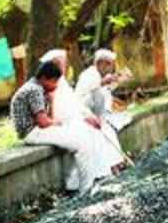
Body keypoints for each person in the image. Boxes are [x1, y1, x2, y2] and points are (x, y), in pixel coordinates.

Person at [10, 61, 110, 194]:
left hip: (35, 131)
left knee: (78, 137)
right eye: (54, 81)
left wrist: (51, 102)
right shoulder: (34, 90)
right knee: (82, 144)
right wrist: (59, 123)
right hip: (32, 132)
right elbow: (44, 122)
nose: (56, 85)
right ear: (44, 78)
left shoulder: (35, 87)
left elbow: (47, 117)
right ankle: (86, 188)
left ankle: (74, 184)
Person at [39, 49, 124, 176]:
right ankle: (93, 174)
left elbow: (75, 103)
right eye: (62, 64)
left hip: (80, 115)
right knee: (91, 133)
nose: (65, 67)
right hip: (65, 121)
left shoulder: (62, 82)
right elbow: (59, 109)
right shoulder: (50, 82)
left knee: (102, 129)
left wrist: (88, 116)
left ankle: (108, 168)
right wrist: (85, 117)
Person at [75, 49, 132, 173]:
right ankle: (114, 165)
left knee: (110, 128)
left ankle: (117, 163)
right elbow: (90, 93)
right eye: (110, 65)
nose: (111, 69)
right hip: (85, 115)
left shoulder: (100, 76)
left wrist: (118, 80)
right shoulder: (88, 75)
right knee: (104, 132)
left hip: (99, 114)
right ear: (101, 63)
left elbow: (106, 92)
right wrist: (103, 82)